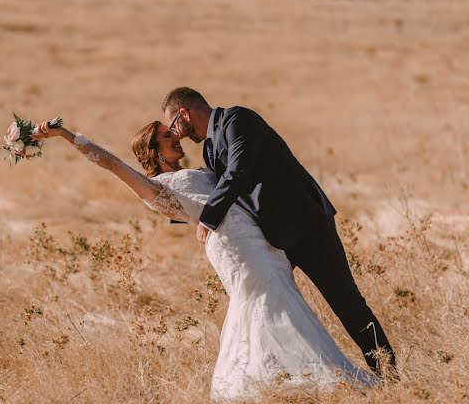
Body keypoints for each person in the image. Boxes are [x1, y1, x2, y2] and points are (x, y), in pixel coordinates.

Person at [32, 119, 377, 400]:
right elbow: (111, 163)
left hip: (261, 242)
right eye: (166, 138)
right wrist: (65, 135)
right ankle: (307, 377)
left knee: (280, 300)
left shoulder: (201, 168)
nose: (175, 138)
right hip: (234, 250)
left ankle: (282, 376)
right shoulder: (156, 187)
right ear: (152, 152)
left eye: (172, 132)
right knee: (266, 302)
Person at [161, 86, 396, 377]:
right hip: (274, 240)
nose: (178, 135)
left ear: (184, 113)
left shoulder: (237, 119)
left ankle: (389, 375)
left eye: (174, 126)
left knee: (346, 303)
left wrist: (208, 219)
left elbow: (238, 171)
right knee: (278, 311)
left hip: (308, 228)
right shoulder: (209, 149)